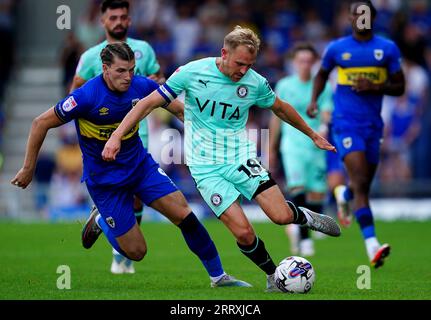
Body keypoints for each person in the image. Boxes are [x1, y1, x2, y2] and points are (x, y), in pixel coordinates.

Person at [102, 26, 341, 292]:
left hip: (239, 156)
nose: (243, 71)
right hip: (205, 169)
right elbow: (148, 103)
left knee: (281, 216)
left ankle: (305, 217)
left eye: (249, 65)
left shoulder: (254, 82)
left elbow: (281, 108)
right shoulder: (192, 72)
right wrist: (116, 137)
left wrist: (312, 134)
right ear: (224, 53)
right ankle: (274, 276)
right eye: (239, 63)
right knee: (244, 233)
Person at [11, 42, 250, 289]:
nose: (128, 77)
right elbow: (40, 123)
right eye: (121, 71)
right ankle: (102, 221)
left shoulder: (142, 86)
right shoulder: (85, 96)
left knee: (185, 215)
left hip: (140, 168)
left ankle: (219, 277)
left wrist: (208, 132)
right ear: (104, 69)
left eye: (132, 70)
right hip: (105, 181)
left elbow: (181, 111)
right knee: (137, 252)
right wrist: (28, 168)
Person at [307, 0, 405, 268]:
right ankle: (372, 245)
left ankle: (344, 197)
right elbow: (321, 74)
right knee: (360, 180)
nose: (361, 18)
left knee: (362, 184)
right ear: (350, 18)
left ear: (373, 18)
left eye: (366, 14)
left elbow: (399, 87)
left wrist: (375, 85)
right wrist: (314, 100)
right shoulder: (337, 49)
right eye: (356, 14)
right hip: (345, 122)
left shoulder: (386, 48)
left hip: (373, 124)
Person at [70, 0, 165, 274]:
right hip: (101, 141)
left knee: (137, 196)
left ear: (130, 20)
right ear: (103, 21)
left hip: (138, 132)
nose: (118, 22)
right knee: (121, 195)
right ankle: (119, 246)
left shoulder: (143, 50)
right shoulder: (91, 57)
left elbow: (157, 82)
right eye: (113, 17)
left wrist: (158, 83)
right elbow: (74, 93)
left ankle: (122, 255)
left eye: (123, 16)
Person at [269, 42, 334, 257]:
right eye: (301, 61)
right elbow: (276, 117)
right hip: (292, 145)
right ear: (294, 63)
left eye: (309, 61)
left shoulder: (322, 86)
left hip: (316, 145)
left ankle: (302, 226)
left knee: (316, 194)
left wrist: (324, 127)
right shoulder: (285, 86)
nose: (305, 65)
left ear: (314, 62)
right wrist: (271, 148)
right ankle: (305, 239)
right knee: (297, 189)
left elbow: (326, 111)